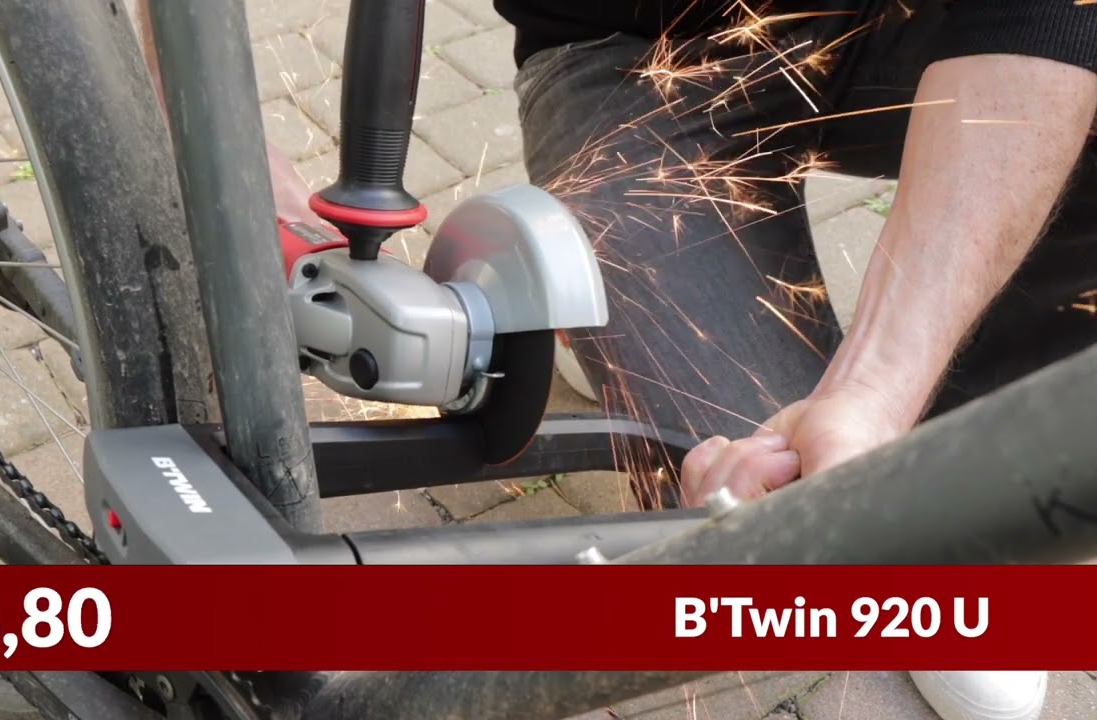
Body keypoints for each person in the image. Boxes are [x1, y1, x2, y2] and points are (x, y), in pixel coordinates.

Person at [139, 1, 1096, 718]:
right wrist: (236, 176)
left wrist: (883, 394)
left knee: (911, 578)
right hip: (633, 48)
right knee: (821, 624)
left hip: (927, 28)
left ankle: (960, 450)